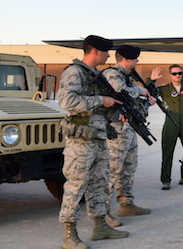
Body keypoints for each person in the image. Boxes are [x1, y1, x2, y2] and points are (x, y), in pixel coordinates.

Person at [57, 35, 129, 249]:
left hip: (98, 136)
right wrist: (101, 100)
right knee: (75, 185)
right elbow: (67, 101)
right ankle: (69, 235)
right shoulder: (74, 72)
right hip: (80, 141)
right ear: (95, 51)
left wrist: (114, 112)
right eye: (106, 52)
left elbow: (99, 109)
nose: (108, 56)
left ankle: (100, 226)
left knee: (99, 182)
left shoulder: (96, 75)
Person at [103, 45, 154, 223]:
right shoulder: (112, 74)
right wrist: (141, 90)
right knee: (112, 170)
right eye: (135, 58)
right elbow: (121, 92)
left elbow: (131, 101)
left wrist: (147, 101)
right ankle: (102, 212)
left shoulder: (128, 77)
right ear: (126, 59)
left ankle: (126, 204)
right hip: (117, 131)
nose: (137, 61)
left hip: (129, 128)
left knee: (128, 167)